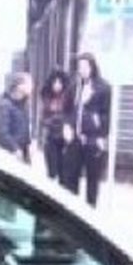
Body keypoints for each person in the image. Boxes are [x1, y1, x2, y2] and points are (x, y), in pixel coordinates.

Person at [63, 53, 112, 206]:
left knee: (92, 178)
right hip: (75, 138)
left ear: (92, 67)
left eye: (85, 67)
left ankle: (90, 209)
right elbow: (67, 109)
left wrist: (100, 132)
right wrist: (67, 125)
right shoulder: (74, 86)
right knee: (71, 176)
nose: (82, 70)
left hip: (93, 139)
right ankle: (71, 208)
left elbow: (106, 114)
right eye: (80, 67)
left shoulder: (103, 87)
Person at [38, 68, 73, 182]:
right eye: (55, 82)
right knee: (51, 171)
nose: (57, 85)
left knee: (64, 172)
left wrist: (62, 121)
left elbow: (70, 115)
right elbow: (43, 118)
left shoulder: (68, 97)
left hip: (64, 138)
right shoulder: (47, 97)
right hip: (51, 137)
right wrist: (51, 121)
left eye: (60, 82)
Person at [0, 71, 34, 163]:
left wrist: (29, 145)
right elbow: (2, 132)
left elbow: (25, 130)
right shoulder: (5, 105)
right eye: (28, 84)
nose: (31, 87)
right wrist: (14, 148)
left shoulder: (24, 105)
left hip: (23, 153)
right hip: (8, 154)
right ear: (19, 86)